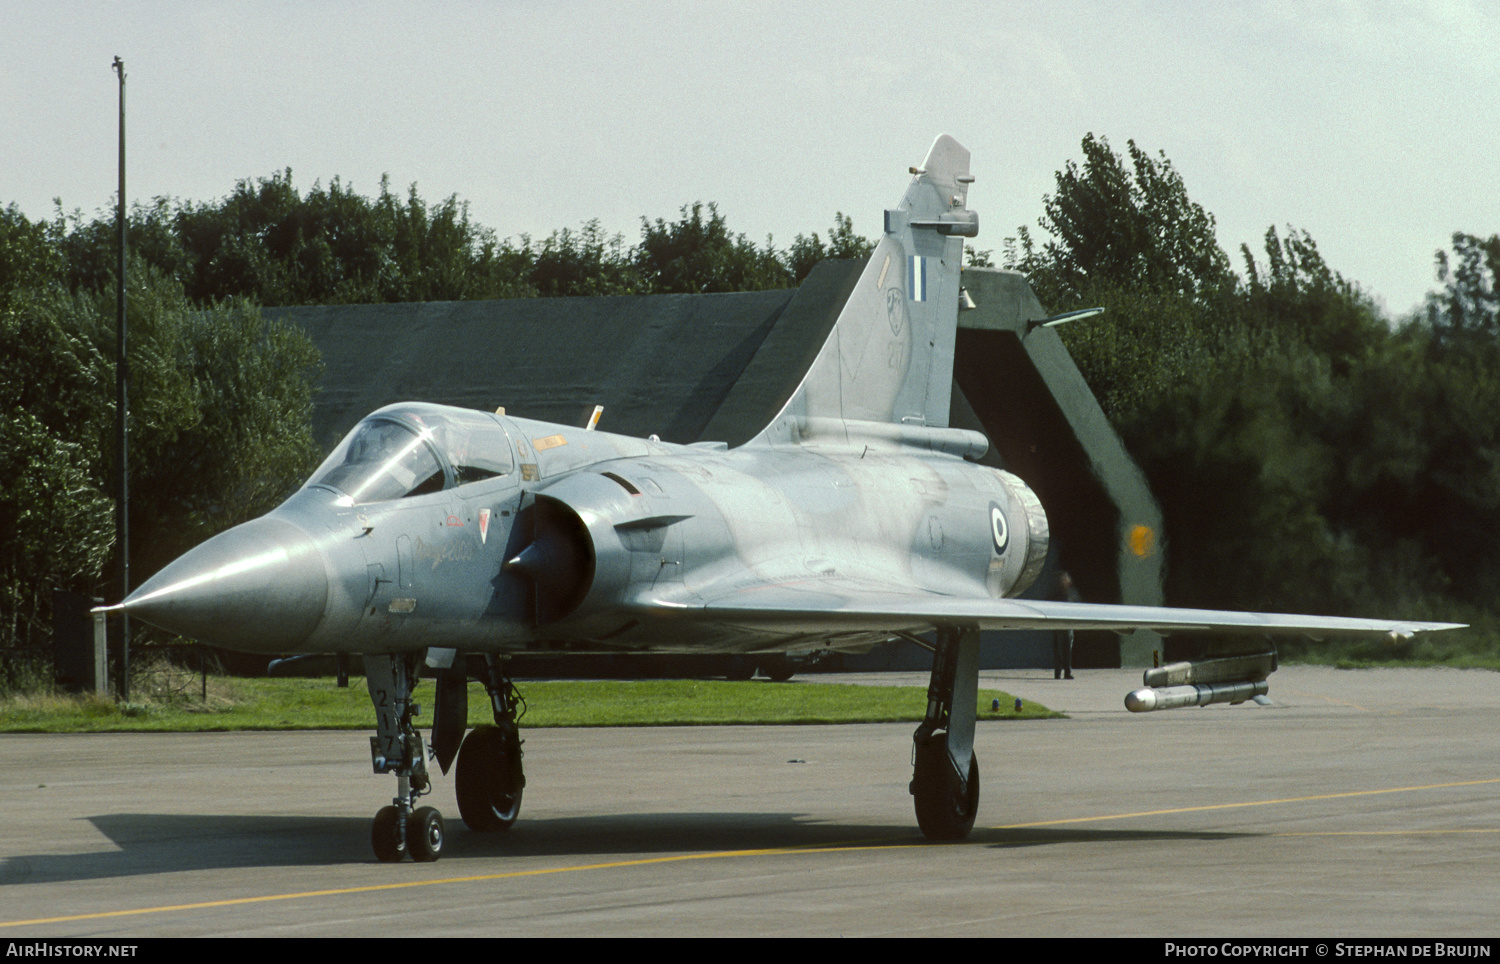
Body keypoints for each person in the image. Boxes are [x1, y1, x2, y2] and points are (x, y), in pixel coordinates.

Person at [1050, 570, 1080, 679]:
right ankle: (1057, 673)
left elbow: (1078, 606)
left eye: (1066, 578)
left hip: (1068, 625)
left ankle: (1067, 672)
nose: (1065, 581)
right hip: (1057, 625)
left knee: (1067, 650)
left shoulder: (1072, 594)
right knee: (1058, 650)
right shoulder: (1056, 594)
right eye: (1063, 579)